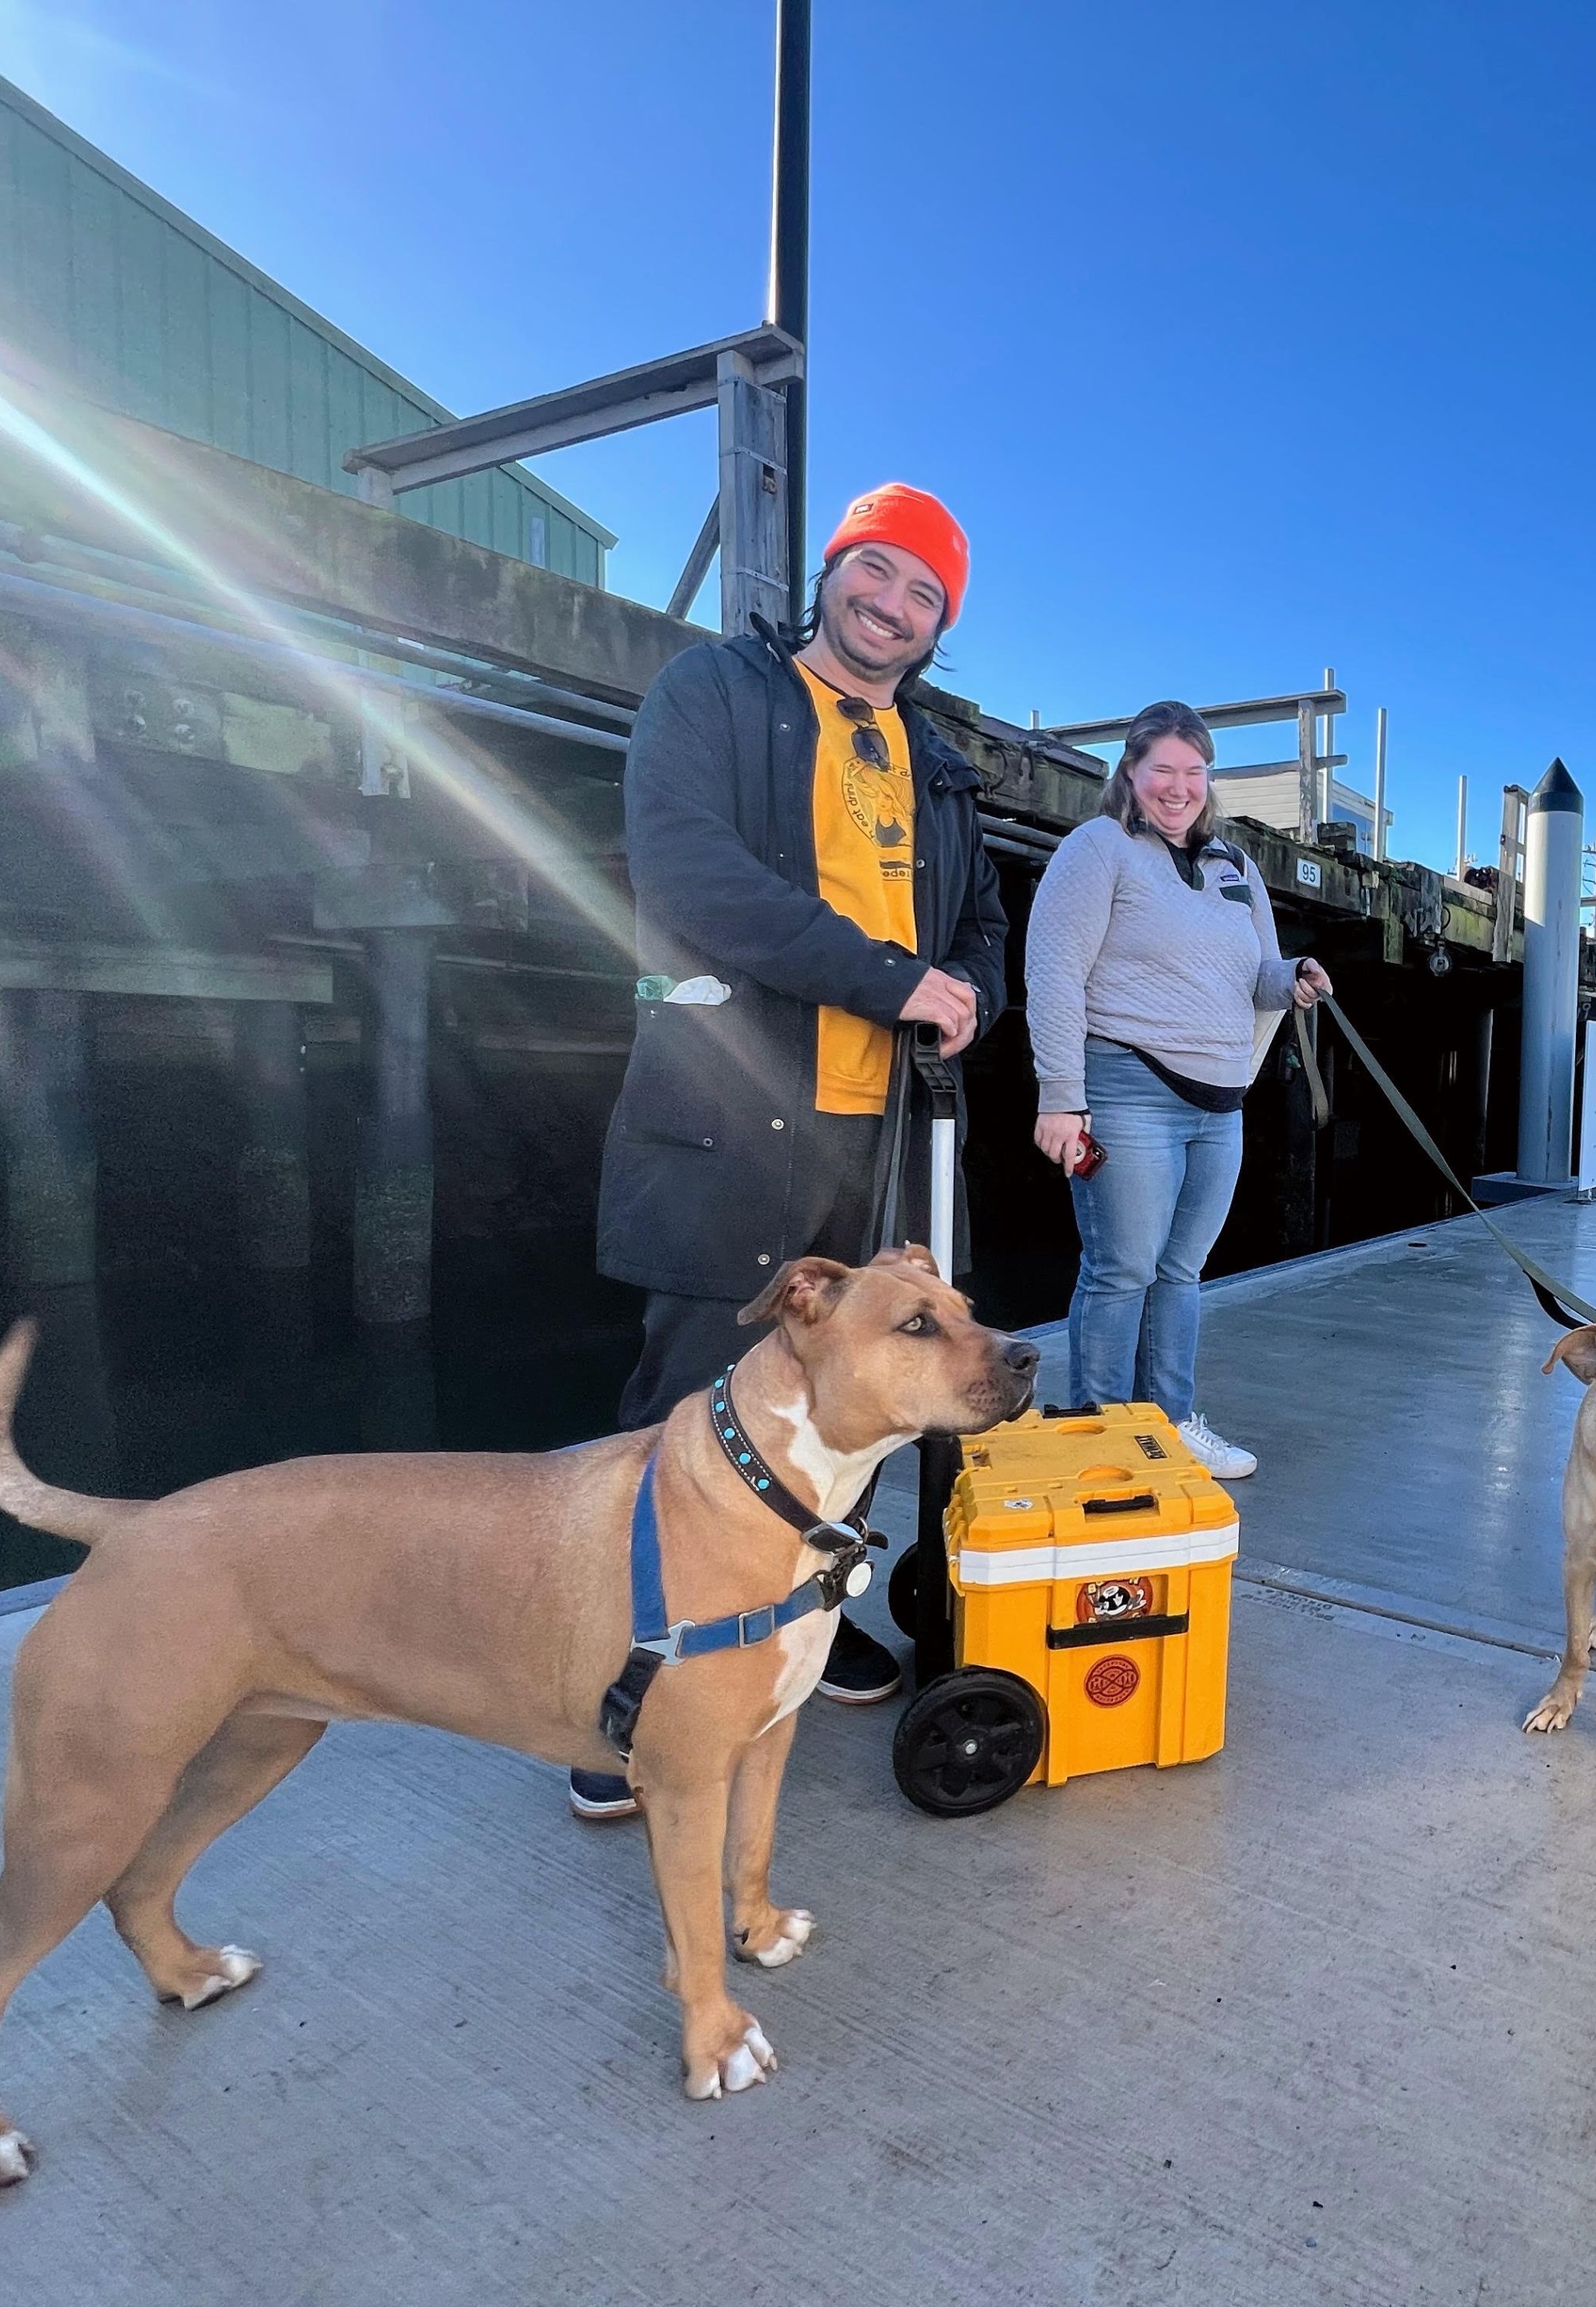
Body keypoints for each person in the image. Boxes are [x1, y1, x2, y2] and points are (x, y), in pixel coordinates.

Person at [581, 482, 1007, 1818]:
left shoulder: (933, 760)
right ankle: (618, 1700)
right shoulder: (713, 693)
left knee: (843, 1418)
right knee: (685, 1407)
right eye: (875, 575)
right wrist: (895, 980)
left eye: (922, 595)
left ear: (939, 623)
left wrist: (970, 991)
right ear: (834, 572)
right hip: (730, 1112)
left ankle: (800, 1630)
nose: (891, 608)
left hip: (872, 1133)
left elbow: (981, 915)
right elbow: (692, 877)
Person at [1026, 701, 1330, 1478]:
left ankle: (1167, 1425)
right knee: (1121, 1267)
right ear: (1129, 771)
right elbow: (1054, 972)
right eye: (1162, 769)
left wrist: (1292, 976)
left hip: (1220, 1106)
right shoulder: (1098, 850)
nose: (1178, 787)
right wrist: (1061, 1096)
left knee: (1180, 1271)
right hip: (1127, 1089)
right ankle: (1096, 1439)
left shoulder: (1236, 866)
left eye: (1194, 772)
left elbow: (1258, 976)